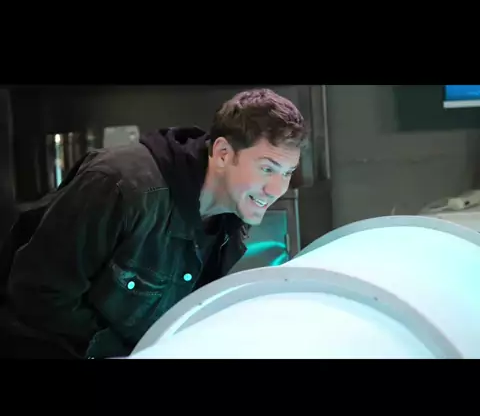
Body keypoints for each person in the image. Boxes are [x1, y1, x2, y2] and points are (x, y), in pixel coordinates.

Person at [5, 88, 308, 358]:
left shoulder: (232, 217)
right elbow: (37, 293)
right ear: (223, 154)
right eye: (267, 169)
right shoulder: (121, 185)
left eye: (287, 172)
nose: (276, 189)